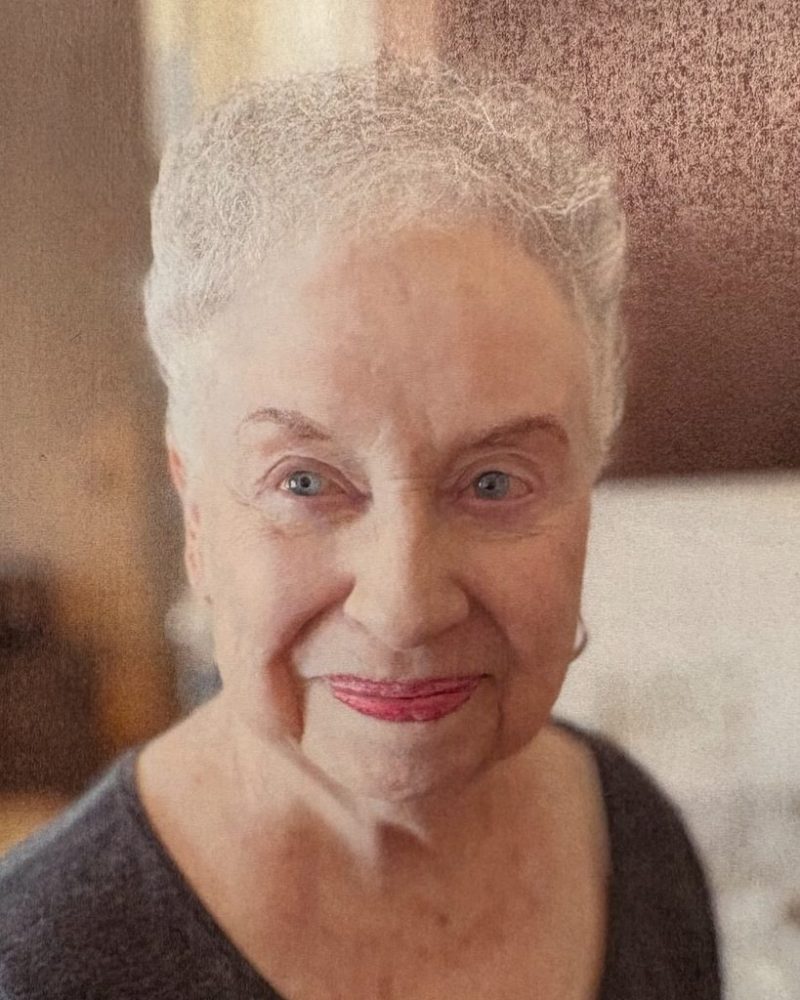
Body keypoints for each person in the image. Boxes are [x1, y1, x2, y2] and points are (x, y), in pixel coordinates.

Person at [0, 58, 722, 999]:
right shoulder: (38, 966)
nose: (404, 608)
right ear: (197, 517)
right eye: (305, 481)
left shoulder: (636, 841)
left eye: (494, 482)